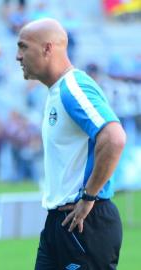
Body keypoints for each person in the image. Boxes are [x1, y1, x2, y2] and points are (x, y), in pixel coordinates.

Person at [16, 18, 126, 269]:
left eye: (23, 47)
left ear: (47, 48)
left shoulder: (73, 87)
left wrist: (88, 197)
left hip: (85, 222)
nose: (17, 57)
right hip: (59, 223)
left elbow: (114, 138)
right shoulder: (57, 91)